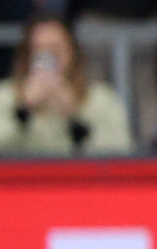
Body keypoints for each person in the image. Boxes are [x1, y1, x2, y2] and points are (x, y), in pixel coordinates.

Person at [0, 15, 133, 154]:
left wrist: (75, 118)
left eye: (55, 50)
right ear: (26, 55)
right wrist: (23, 111)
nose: (47, 57)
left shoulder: (100, 98)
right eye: (39, 50)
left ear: (73, 53)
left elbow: (118, 152)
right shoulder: (5, 96)